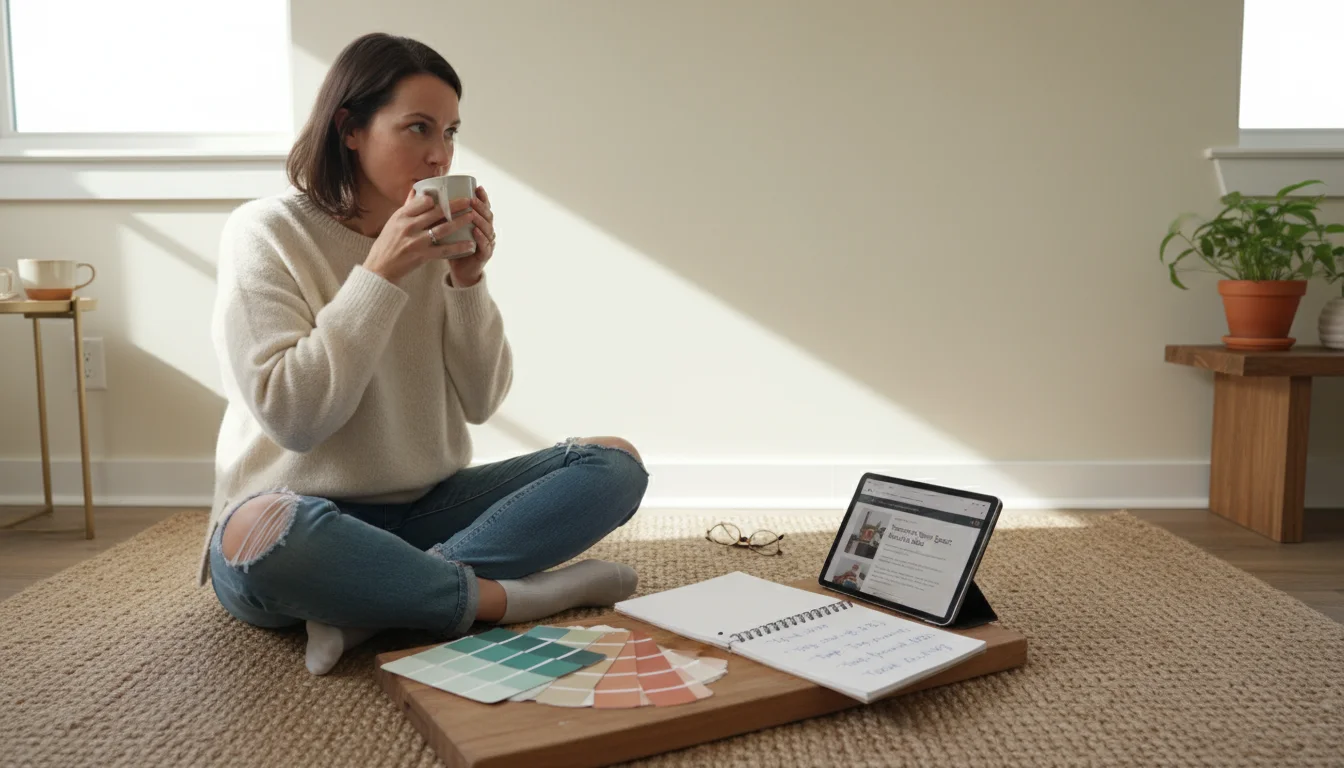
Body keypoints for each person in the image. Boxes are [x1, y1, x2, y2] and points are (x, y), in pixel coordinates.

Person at [199, 32, 649, 675]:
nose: (440, 154)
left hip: (421, 512)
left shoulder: (439, 239)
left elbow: (482, 400)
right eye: (417, 128)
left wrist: (469, 281)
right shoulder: (265, 232)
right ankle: (507, 599)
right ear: (349, 128)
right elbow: (295, 419)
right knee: (266, 535)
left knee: (615, 466)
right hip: (298, 513)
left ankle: (379, 602)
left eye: (450, 132)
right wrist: (378, 275)